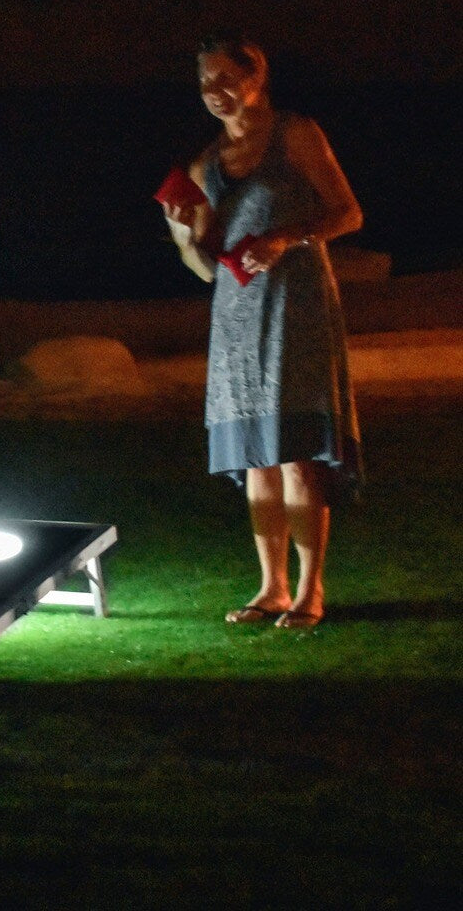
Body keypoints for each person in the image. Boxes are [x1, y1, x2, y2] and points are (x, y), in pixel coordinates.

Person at [160, 33, 364, 629]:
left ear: (257, 77)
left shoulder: (295, 134)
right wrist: (182, 235)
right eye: (205, 82)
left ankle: (309, 590)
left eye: (226, 78)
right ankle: (271, 588)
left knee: (297, 454)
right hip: (235, 319)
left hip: (296, 306)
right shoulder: (204, 165)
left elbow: (348, 212)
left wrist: (284, 237)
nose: (214, 92)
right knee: (255, 457)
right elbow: (206, 268)